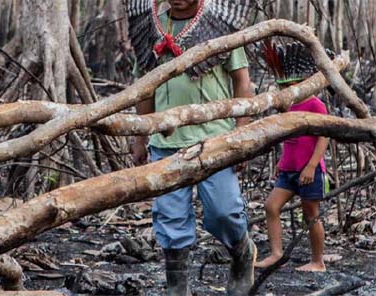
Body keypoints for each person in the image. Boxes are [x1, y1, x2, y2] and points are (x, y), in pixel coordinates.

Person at [125, 0, 256, 295]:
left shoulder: (221, 25)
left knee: (223, 212)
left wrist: (242, 134)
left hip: (215, 139)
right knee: (170, 219)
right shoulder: (151, 25)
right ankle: (177, 287)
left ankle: (242, 254)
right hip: (165, 142)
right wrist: (140, 138)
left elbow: (242, 83)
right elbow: (146, 86)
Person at [256, 41, 330, 272]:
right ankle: (277, 254)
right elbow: (289, 142)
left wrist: (311, 166)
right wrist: (282, 162)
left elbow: (324, 137)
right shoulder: (287, 107)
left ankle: (318, 262)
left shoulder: (315, 105)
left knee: (311, 213)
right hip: (288, 170)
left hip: (310, 170)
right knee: (271, 206)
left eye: (290, 86)